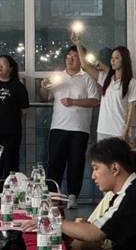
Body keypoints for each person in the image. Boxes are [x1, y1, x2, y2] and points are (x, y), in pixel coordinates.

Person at [39, 45, 99, 209]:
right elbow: (45, 97)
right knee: (55, 162)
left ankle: (73, 196)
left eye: (75, 57)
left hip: (80, 128)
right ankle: (53, 194)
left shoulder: (87, 78)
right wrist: (43, 86)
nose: (70, 59)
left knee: (76, 162)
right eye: (68, 56)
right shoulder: (57, 77)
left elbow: (95, 100)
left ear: (81, 59)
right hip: (58, 126)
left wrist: (73, 102)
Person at [73, 37, 136, 141]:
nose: (113, 60)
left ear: (124, 60)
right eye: (112, 58)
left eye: (116, 58)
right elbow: (84, 65)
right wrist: (78, 44)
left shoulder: (131, 82)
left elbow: (131, 109)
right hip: (103, 129)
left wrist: (126, 131)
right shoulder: (106, 78)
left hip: (119, 130)